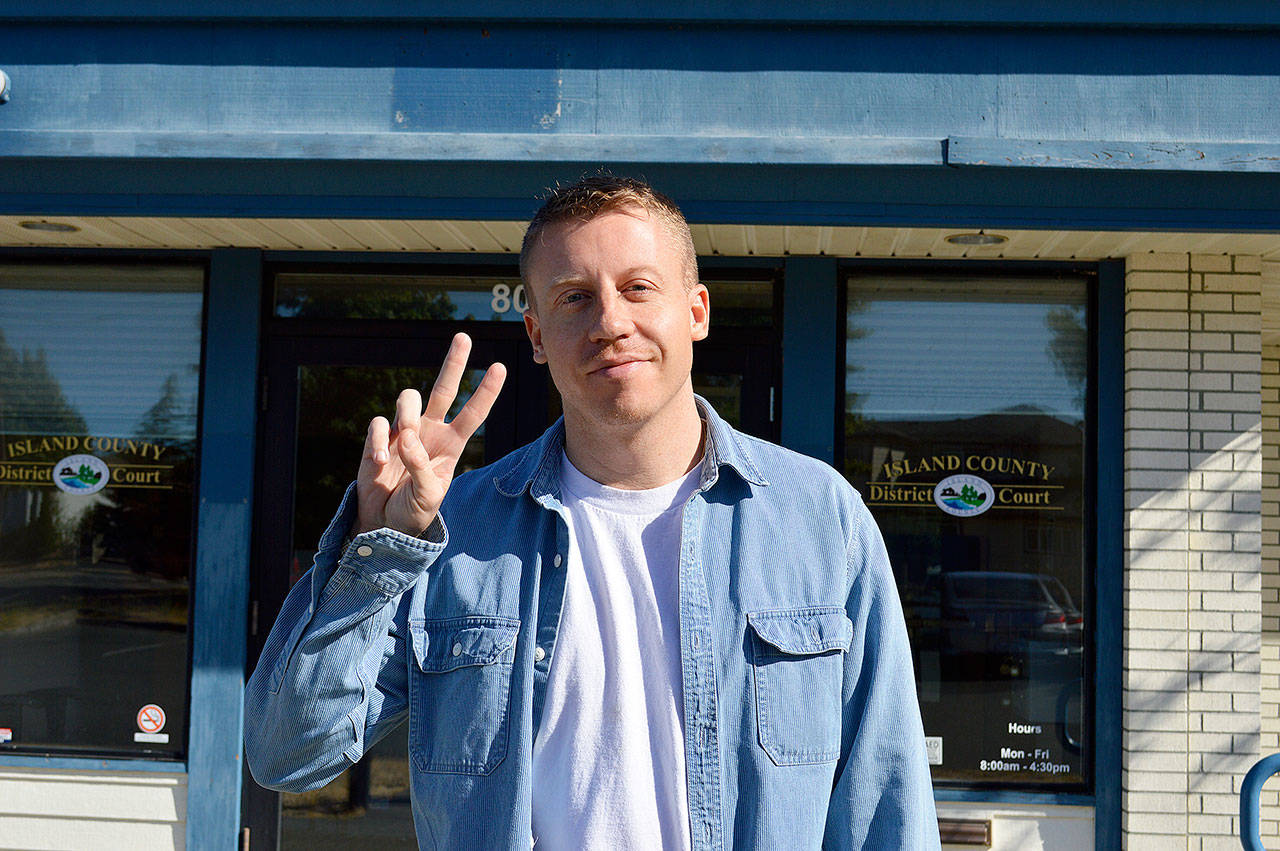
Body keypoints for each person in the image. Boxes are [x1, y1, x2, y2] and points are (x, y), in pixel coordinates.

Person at [244, 175, 940, 850]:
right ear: (538, 334)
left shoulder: (820, 519)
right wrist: (380, 545)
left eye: (639, 287)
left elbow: (885, 803)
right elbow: (287, 756)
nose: (609, 321)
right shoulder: (454, 533)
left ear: (696, 310)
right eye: (574, 297)